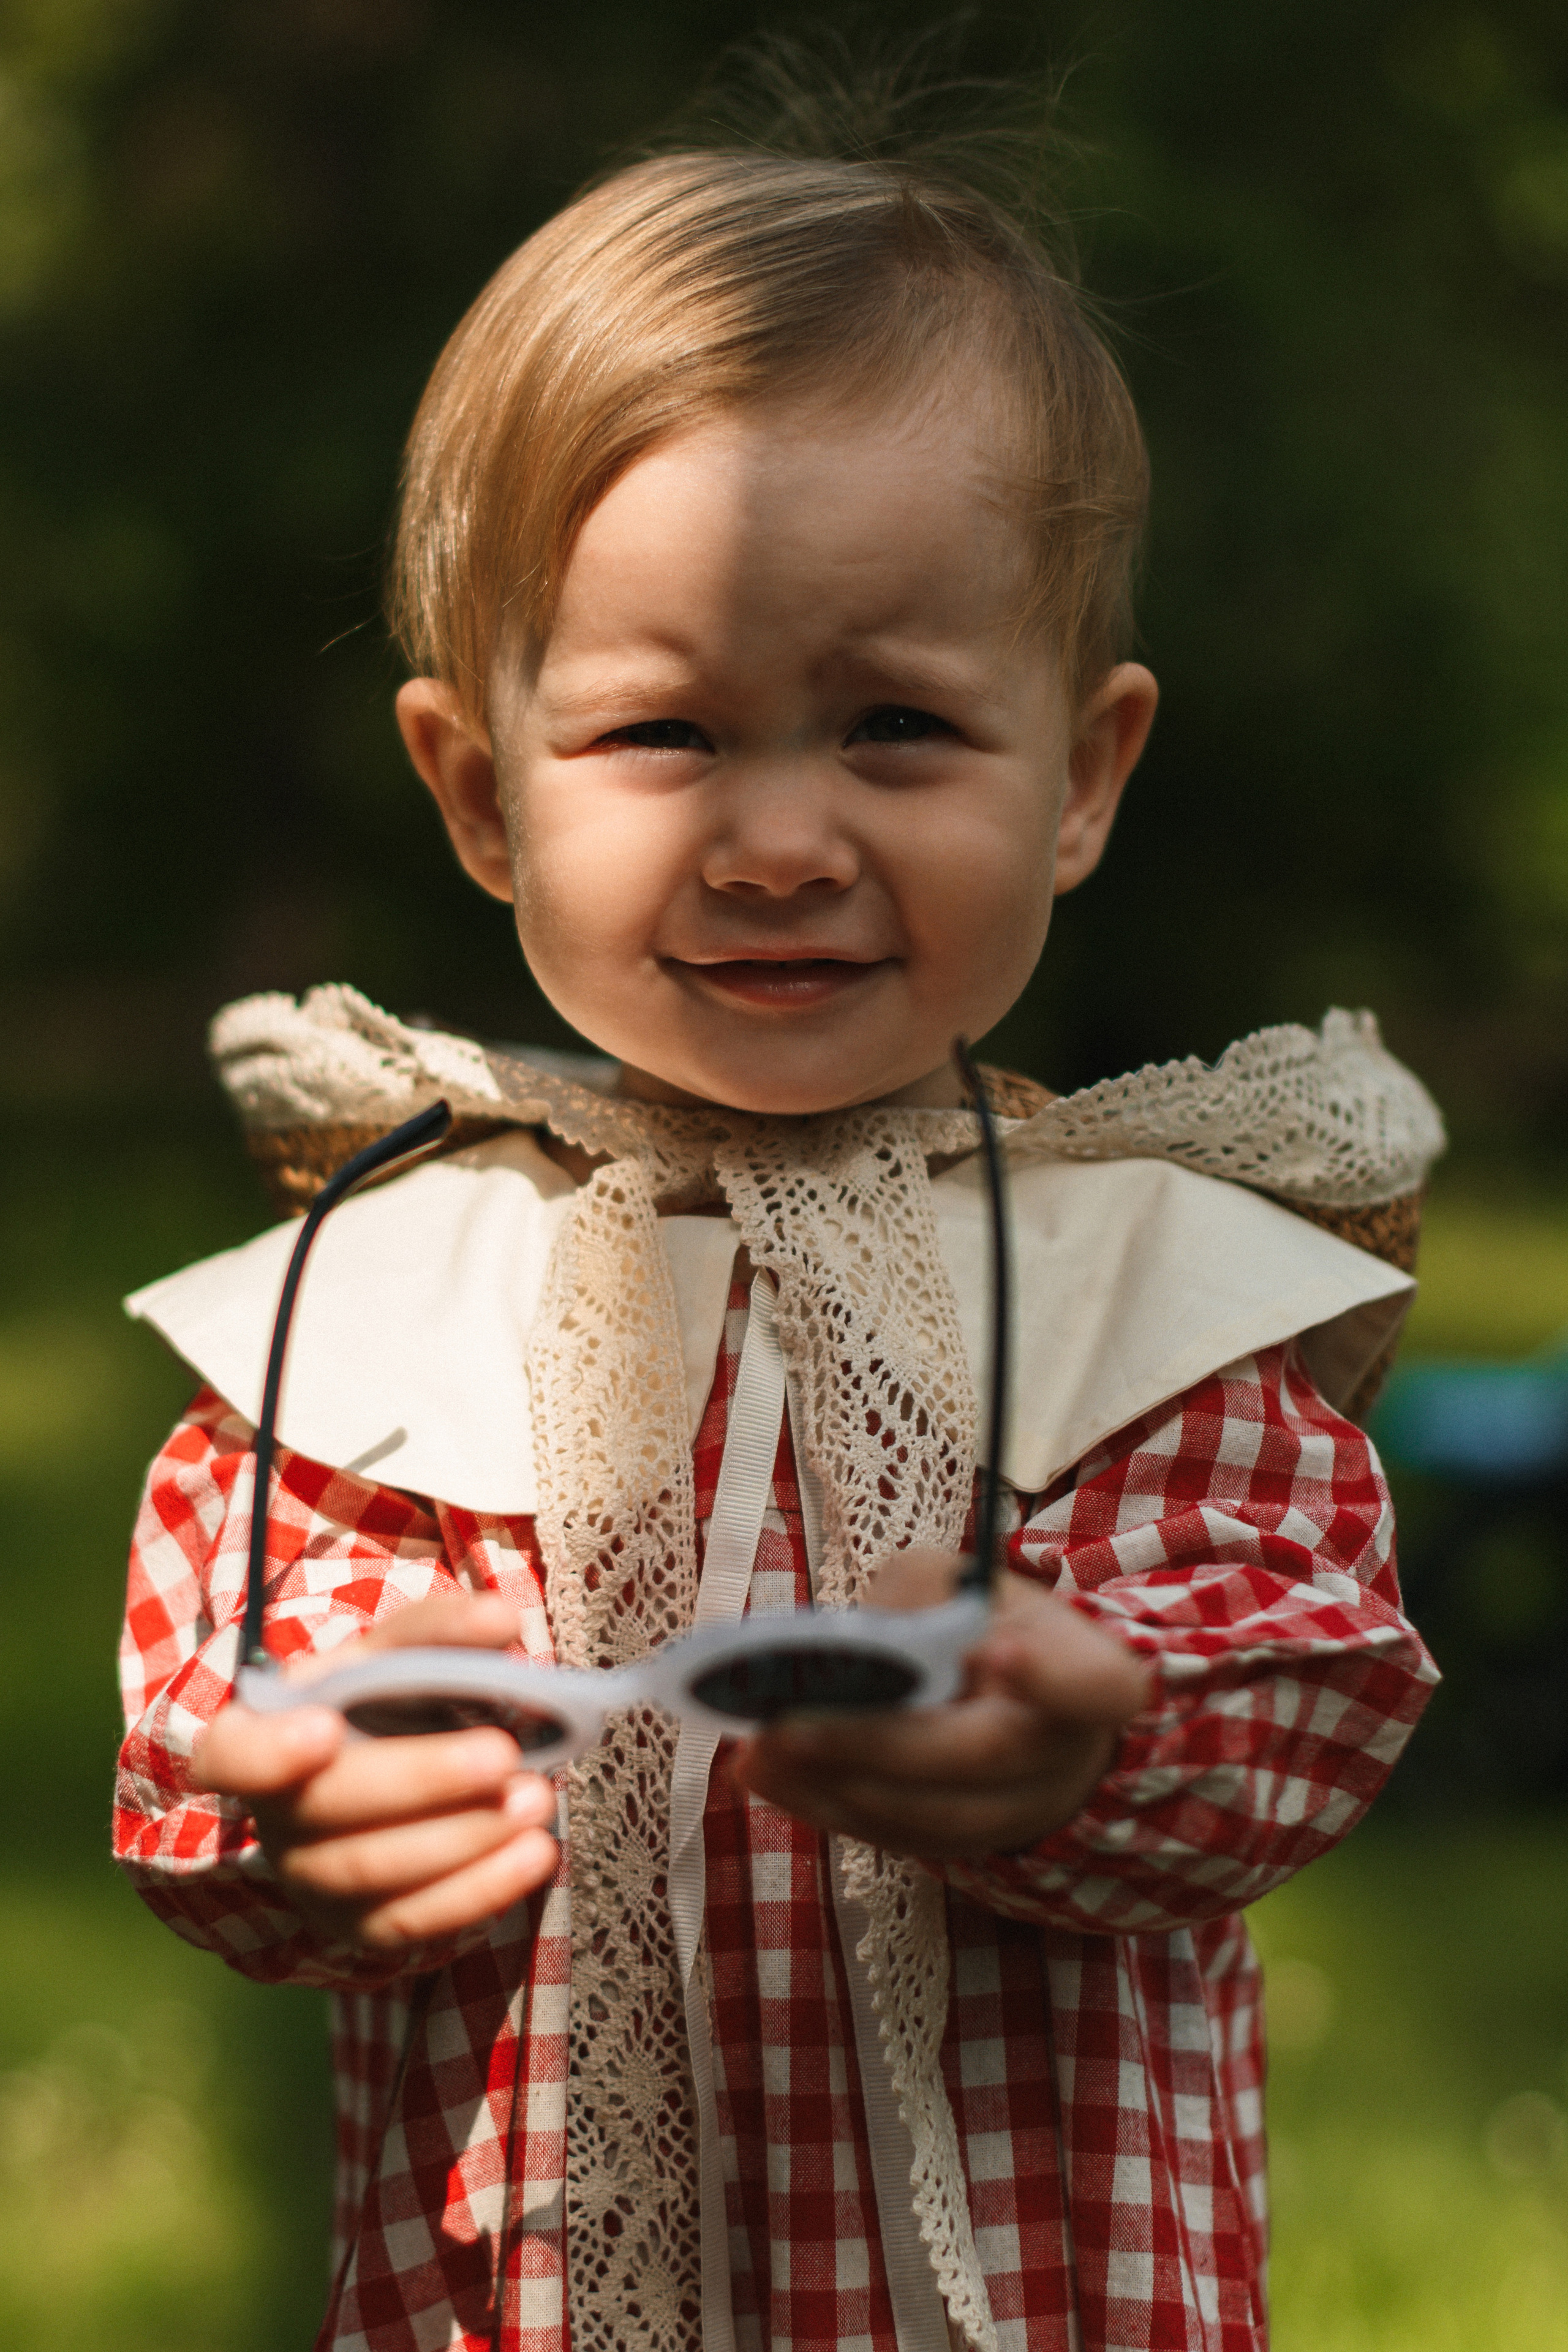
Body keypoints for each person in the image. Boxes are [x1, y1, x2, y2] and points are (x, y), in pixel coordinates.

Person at [113, 121, 1442, 2352]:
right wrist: (304, 1804)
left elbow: (1302, 1665)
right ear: (477, 794)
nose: (778, 836)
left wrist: (1095, 1738)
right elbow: (216, 1686)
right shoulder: (407, 1289)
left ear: (1085, 777)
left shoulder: (1136, 1278)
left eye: (899, 726)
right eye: (664, 732)